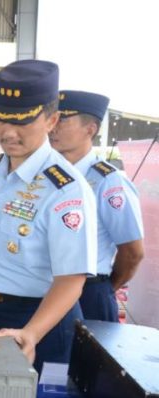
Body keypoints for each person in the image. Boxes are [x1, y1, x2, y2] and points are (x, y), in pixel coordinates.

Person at [0, 60, 97, 372]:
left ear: (52, 120)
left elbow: (71, 279)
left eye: (22, 122)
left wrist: (31, 333)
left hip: (39, 322)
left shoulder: (65, 189)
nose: (8, 132)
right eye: (1, 119)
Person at [50, 90, 144, 321]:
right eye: (51, 118)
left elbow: (132, 252)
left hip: (89, 292)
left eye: (63, 119)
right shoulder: (45, 176)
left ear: (90, 129)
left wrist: (105, 288)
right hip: (45, 288)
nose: (53, 126)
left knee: (85, 357)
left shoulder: (108, 180)